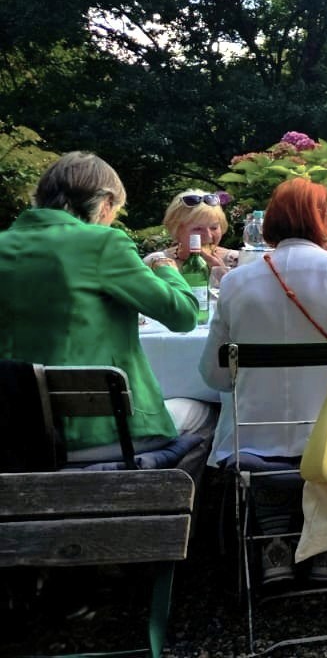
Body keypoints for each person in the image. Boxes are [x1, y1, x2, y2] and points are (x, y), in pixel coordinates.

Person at [200, 178, 327, 586]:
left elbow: (213, 375)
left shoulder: (237, 281)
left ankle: (274, 546)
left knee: (261, 446)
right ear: (321, 221)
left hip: (252, 444)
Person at [0, 152, 206, 470]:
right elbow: (183, 316)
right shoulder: (103, 243)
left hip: (12, 436)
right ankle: (161, 503)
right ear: (106, 203)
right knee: (202, 413)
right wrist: (165, 265)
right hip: (100, 435)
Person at [143, 189, 240, 274]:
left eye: (214, 227)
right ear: (177, 230)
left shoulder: (239, 262)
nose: (208, 236)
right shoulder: (155, 263)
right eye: (198, 229)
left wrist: (220, 272)